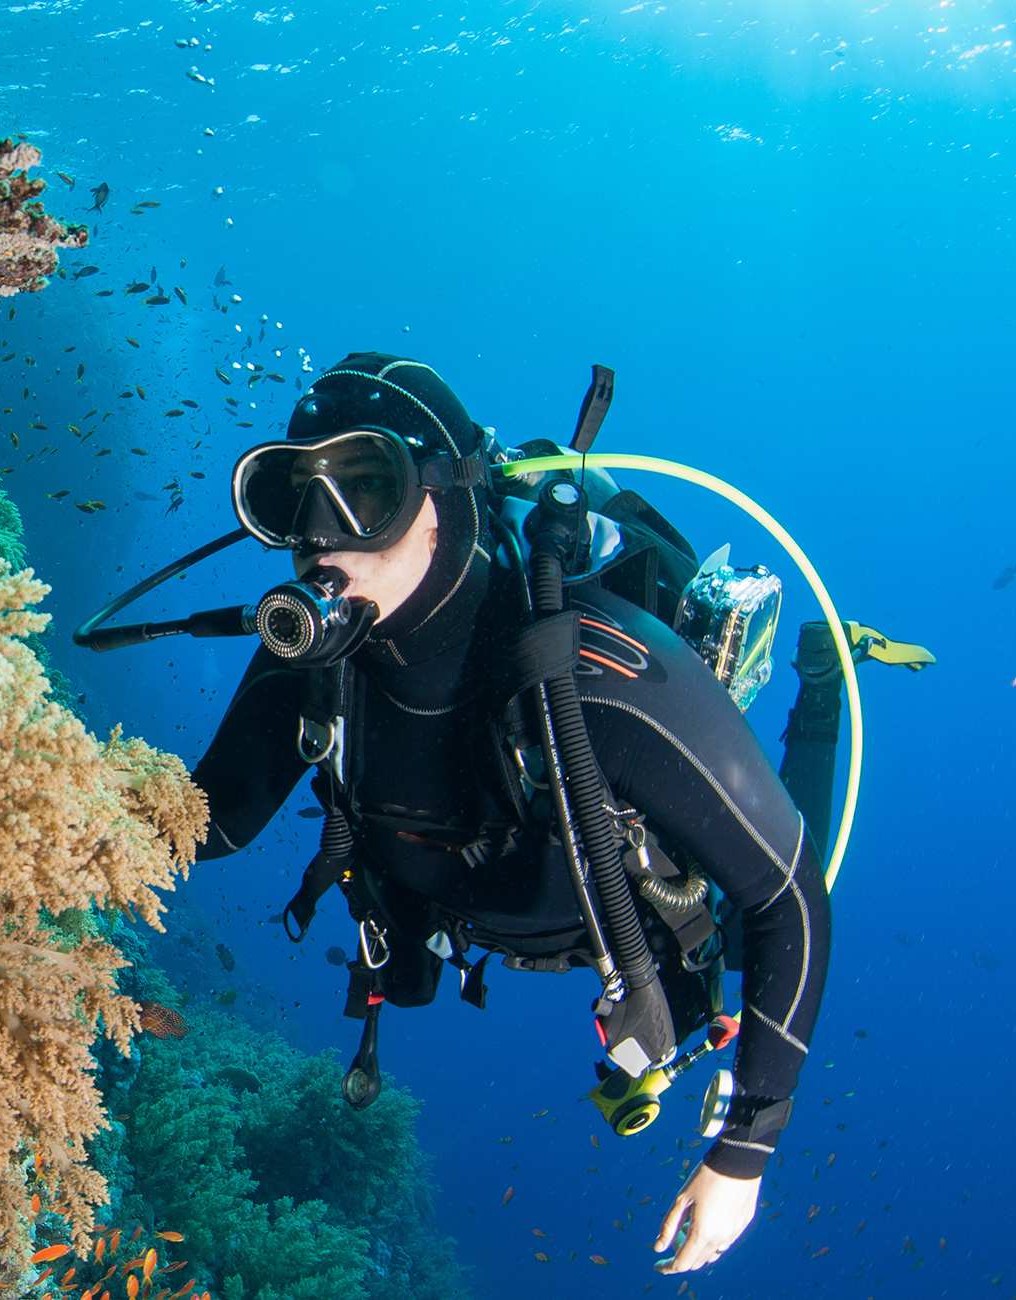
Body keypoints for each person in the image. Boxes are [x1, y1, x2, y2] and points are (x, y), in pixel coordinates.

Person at [192, 353, 832, 1274]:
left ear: (444, 498)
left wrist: (746, 1150)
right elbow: (210, 821)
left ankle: (822, 687)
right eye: (292, 495)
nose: (322, 536)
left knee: (754, 903)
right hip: (461, 906)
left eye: (368, 488)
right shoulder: (318, 658)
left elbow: (789, 896)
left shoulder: (599, 673)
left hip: (638, 911)